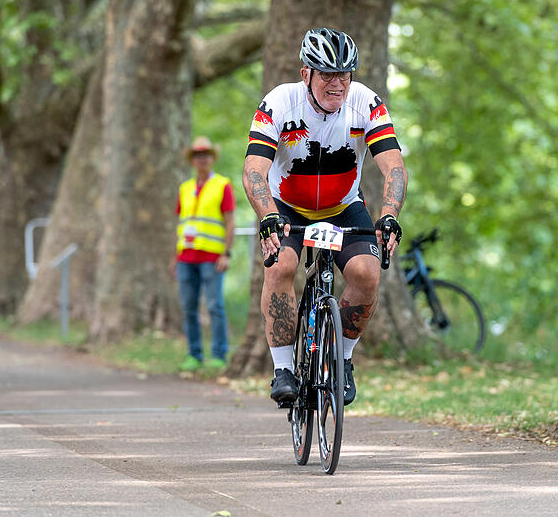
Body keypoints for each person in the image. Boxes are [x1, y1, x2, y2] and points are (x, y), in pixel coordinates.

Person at [242, 27, 407, 406]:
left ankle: (343, 359)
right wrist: (267, 215)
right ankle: (283, 367)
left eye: (345, 75)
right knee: (280, 267)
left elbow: (394, 166)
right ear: (306, 74)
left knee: (367, 274)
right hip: (286, 205)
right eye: (328, 75)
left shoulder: (365, 102)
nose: (338, 84)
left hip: (343, 206)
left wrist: (389, 215)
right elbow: (254, 169)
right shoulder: (280, 102)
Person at [171, 136, 235, 371]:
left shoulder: (222, 185)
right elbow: (180, 222)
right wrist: (173, 257)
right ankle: (194, 354)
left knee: (214, 306)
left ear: (212, 158)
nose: (202, 159)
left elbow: (230, 222)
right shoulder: (185, 188)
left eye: (206, 155)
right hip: (185, 258)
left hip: (212, 257)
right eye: (198, 155)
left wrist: (227, 253)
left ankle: (219, 354)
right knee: (189, 308)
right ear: (192, 160)